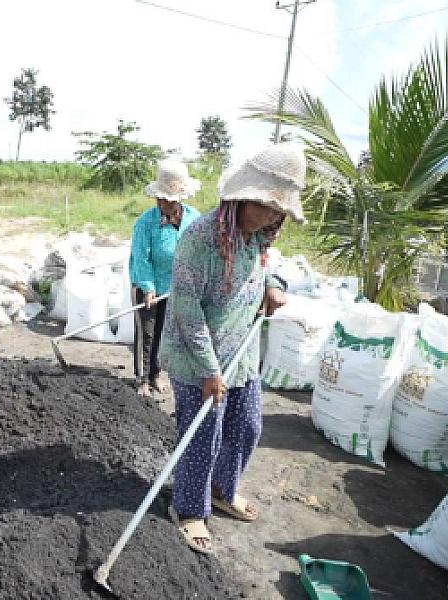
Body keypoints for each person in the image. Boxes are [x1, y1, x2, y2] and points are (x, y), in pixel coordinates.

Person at [159, 144, 304, 553]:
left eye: (280, 210)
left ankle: (222, 489)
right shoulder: (198, 241)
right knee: (203, 433)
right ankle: (189, 509)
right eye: (268, 206)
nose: (275, 216)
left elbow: (269, 267)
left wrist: (274, 286)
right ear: (241, 199)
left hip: (240, 353)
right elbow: (187, 313)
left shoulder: (256, 236)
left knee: (247, 427)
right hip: (196, 358)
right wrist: (209, 371)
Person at [128, 159, 201, 397]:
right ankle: (142, 378)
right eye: (159, 199)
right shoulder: (146, 223)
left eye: (167, 199)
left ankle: (156, 373)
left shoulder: (194, 221)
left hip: (176, 288)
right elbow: (141, 258)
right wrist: (148, 287)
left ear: (179, 198)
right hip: (146, 283)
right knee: (146, 332)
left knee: (164, 333)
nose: (162, 203)